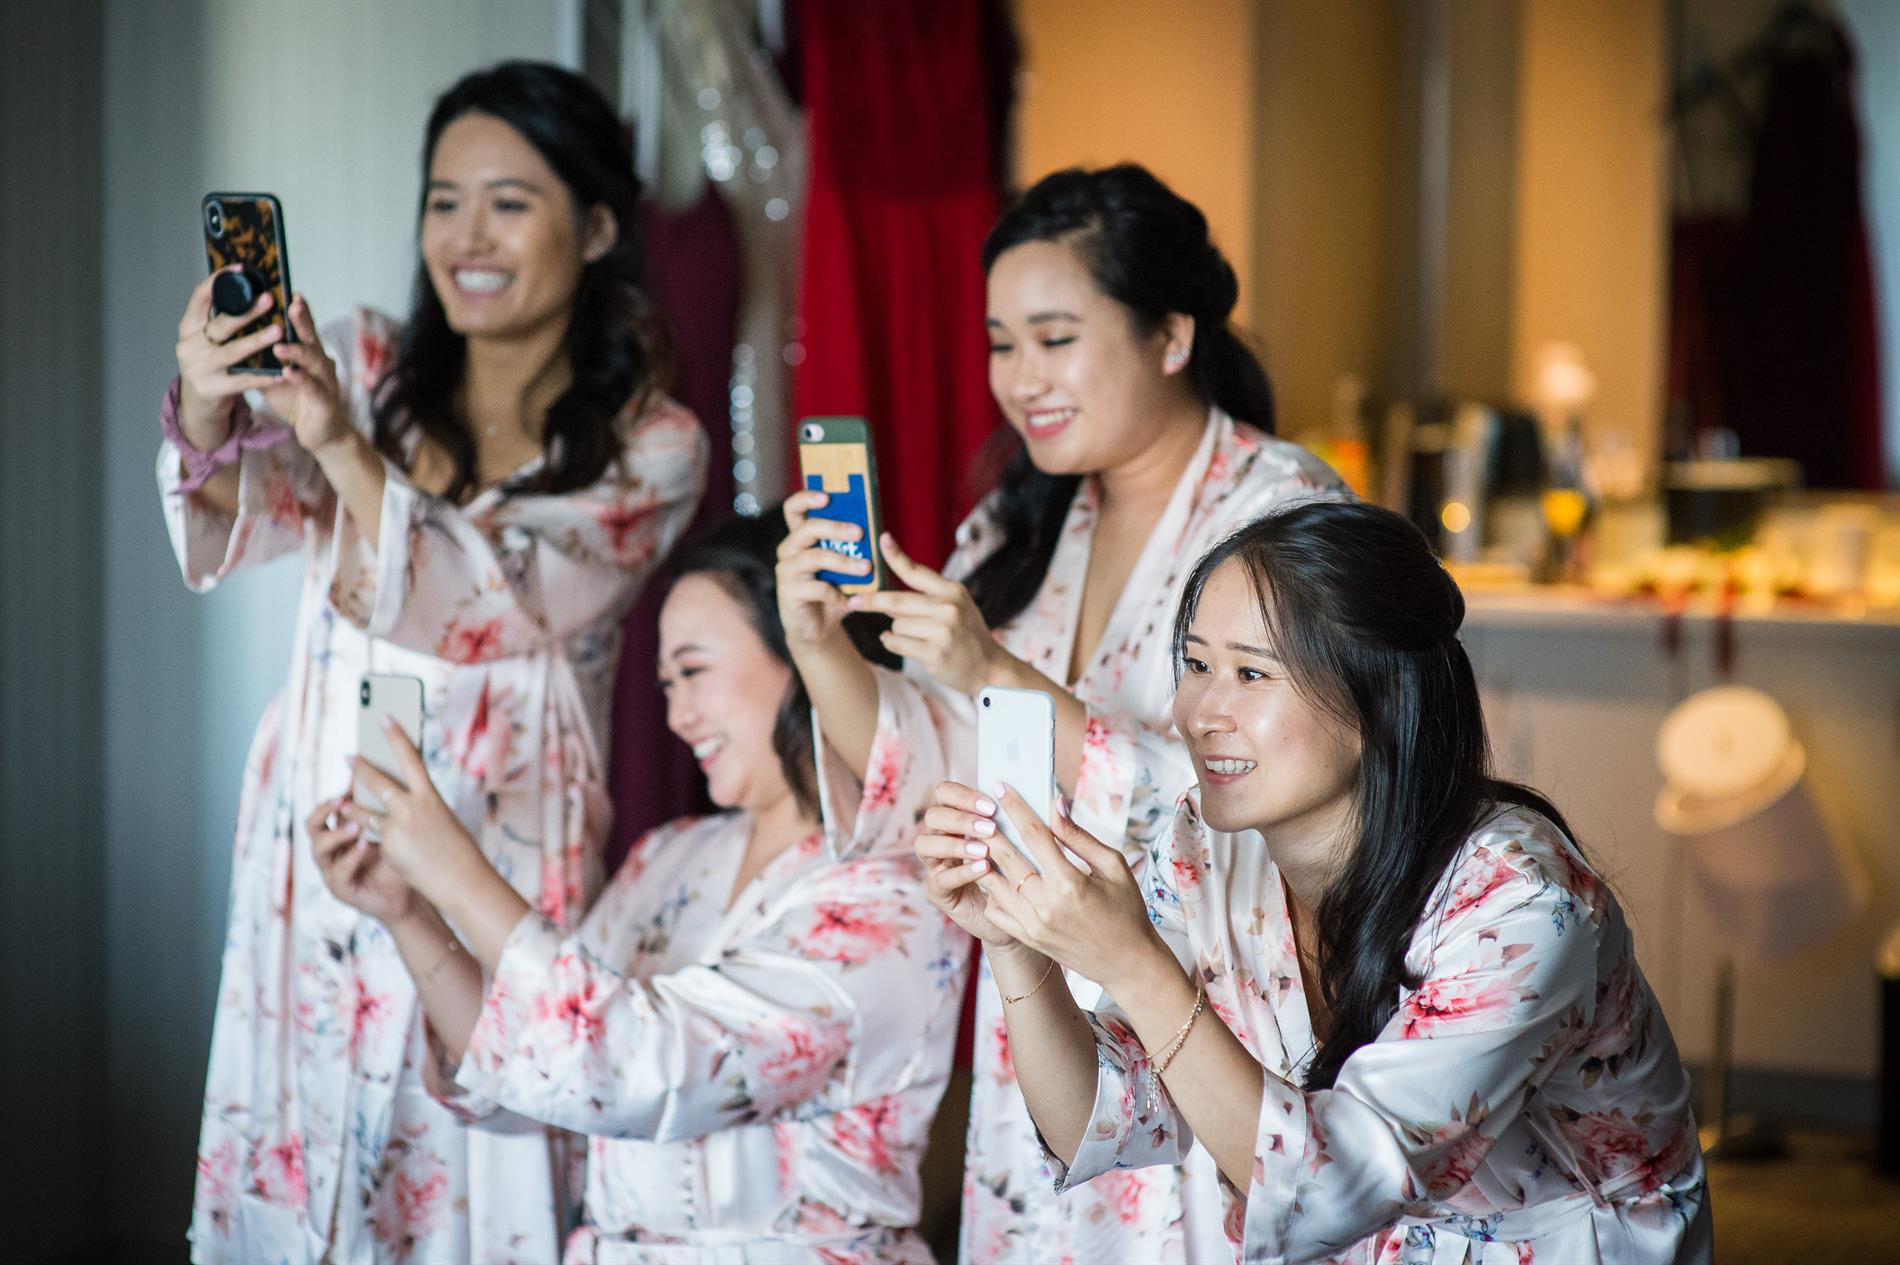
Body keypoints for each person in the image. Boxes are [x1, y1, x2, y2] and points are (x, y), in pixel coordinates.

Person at [162, 61, 707, 1263]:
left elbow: (491, 603)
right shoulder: (364, 360)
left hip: (501, 847)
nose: (468, 236)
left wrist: (345, 450)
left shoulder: (653, 444)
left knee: (475, 1157)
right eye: (445, 200)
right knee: (304, 1145)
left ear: (597, 227)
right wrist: (206, 407)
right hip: (325, 823)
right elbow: (241, 519)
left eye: (509, 202)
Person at [776, 163, 1348, 1262]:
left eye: (1054, 337)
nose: (1020, 378)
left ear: (1170, 334)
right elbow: (918, 762)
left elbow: (1269, 789)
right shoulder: (1024, 521)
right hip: (1040, 994)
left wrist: (994, 667)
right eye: (1002, 343)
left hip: (1216, 996)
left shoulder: (1284, 513)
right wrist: (814, 641)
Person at [919, 500, 1711, 1264]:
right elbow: (1105, 1118)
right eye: (1196, 664)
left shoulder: (1521, 904)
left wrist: (1133, 961)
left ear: (1377, 699)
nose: (1199, 713)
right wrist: (1016, 944)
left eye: (1251, 673)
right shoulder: (1206, 847)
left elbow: (1330, 1190)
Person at [309, 513, 971, 1263]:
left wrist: (458, 872)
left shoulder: (893, 894)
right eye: (665, 684)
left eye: (694, 671)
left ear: (804, 651)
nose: (677, 715)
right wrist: (409, 914)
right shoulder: (668, 856)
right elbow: (535, 1065)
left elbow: (638, 1064)